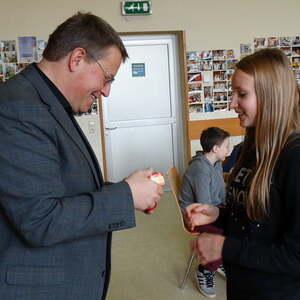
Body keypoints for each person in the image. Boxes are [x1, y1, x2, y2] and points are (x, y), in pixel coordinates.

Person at [0, 12, 163, 300]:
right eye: (107, 77)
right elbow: (41, 220)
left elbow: (58, 187)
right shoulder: (19, 108)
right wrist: (125, 196)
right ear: (77, 59)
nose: (107, 91)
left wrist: (126, 189)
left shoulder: (44, 100)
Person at [186, 48, 300, 300]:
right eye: (233, 92)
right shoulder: (250, 147)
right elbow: (256, 222)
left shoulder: (294, 157)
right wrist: (217, 214)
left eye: (242, 94)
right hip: (243, 286)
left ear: (271, 96)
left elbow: (295, 257)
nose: (232, 103)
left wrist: (225, 247)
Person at [179, 127, 230, 298]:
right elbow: (205, 205)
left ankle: (218, 260)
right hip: (196, 215)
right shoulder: (201, 169)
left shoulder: (215, 163)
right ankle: (205, 270)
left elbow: (218, 194)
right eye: (226, 146)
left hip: (211, 210)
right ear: (216, 148)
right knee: (230, 231)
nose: (228, 149)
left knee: (240, 222)